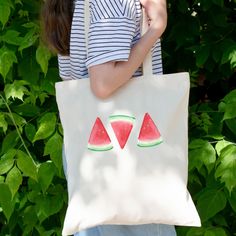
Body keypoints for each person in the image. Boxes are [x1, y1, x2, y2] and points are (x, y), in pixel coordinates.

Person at [42, 0, 177, 235]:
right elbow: (103, 83)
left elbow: (71, 78)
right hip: (128, 150)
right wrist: (157, 28)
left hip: (89, 146)